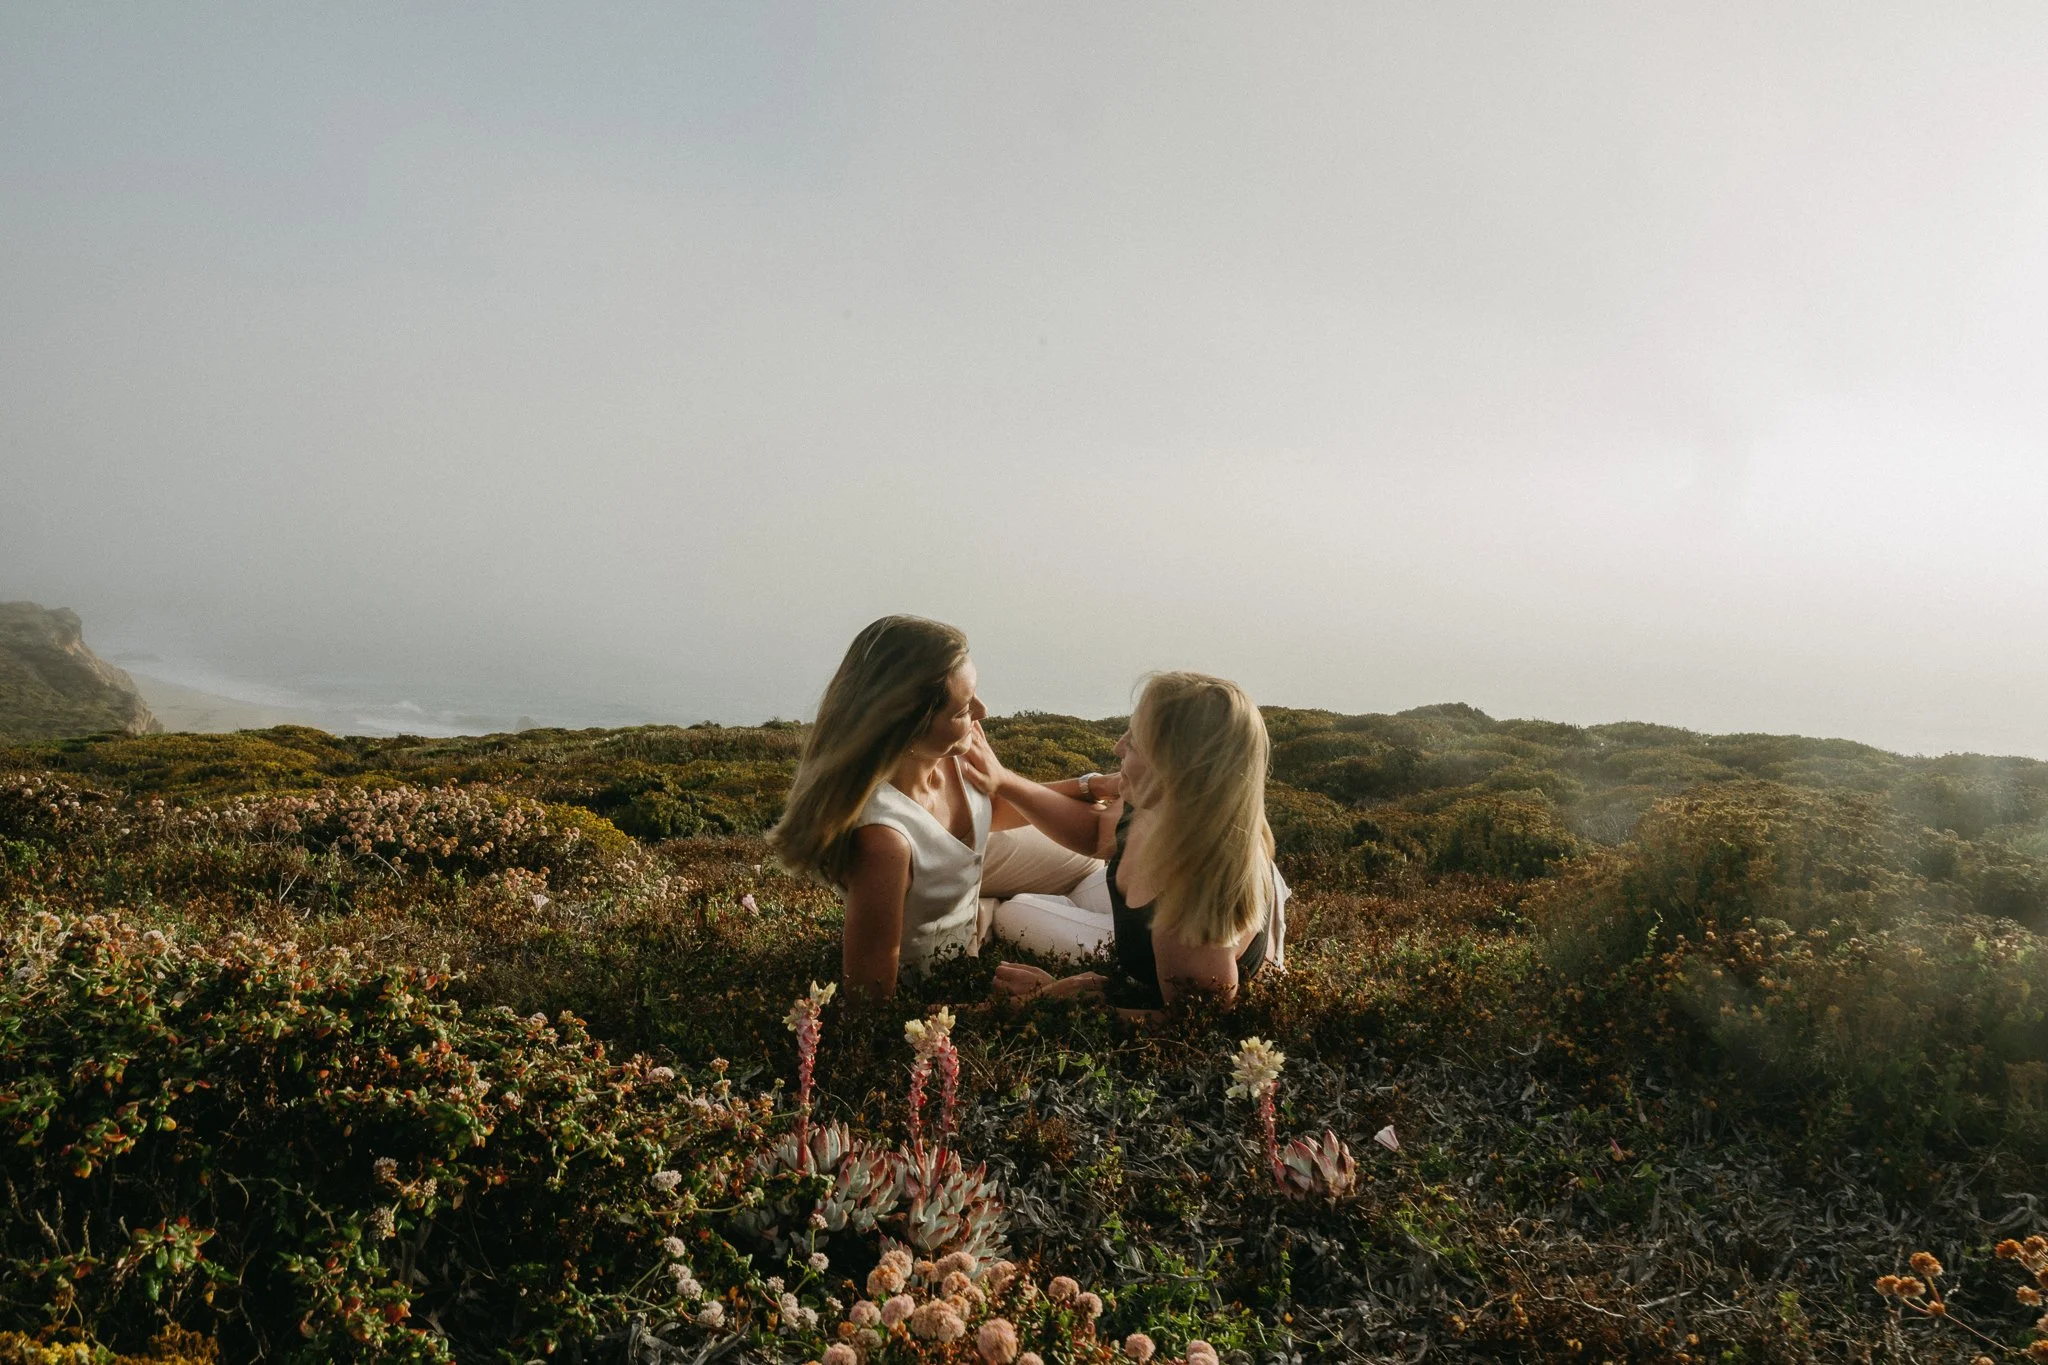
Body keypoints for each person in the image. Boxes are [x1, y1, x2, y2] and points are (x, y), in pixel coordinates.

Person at [765, 615, 1096, 999]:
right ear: (909, 725)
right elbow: (871, 1012)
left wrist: (1087, 786)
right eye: (963, 710)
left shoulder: (952, 753)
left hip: (970, 948)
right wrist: (1041, 1002)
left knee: (1101, 858)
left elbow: (991, 811)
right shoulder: (883, 842)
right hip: (934, 1003)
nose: (983, 712)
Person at [964, 671, 1285, 1014]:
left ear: (1172, 767)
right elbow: (1094, 833)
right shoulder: (1164, 803)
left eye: (1133, 743)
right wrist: (1004, 782)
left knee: (1016, 911)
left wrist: (1056, 1000)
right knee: (1025, 904)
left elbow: (1193, 1026)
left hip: (1201, 937)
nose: (1117, 746)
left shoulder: (1191, 904)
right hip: (1182, 917)